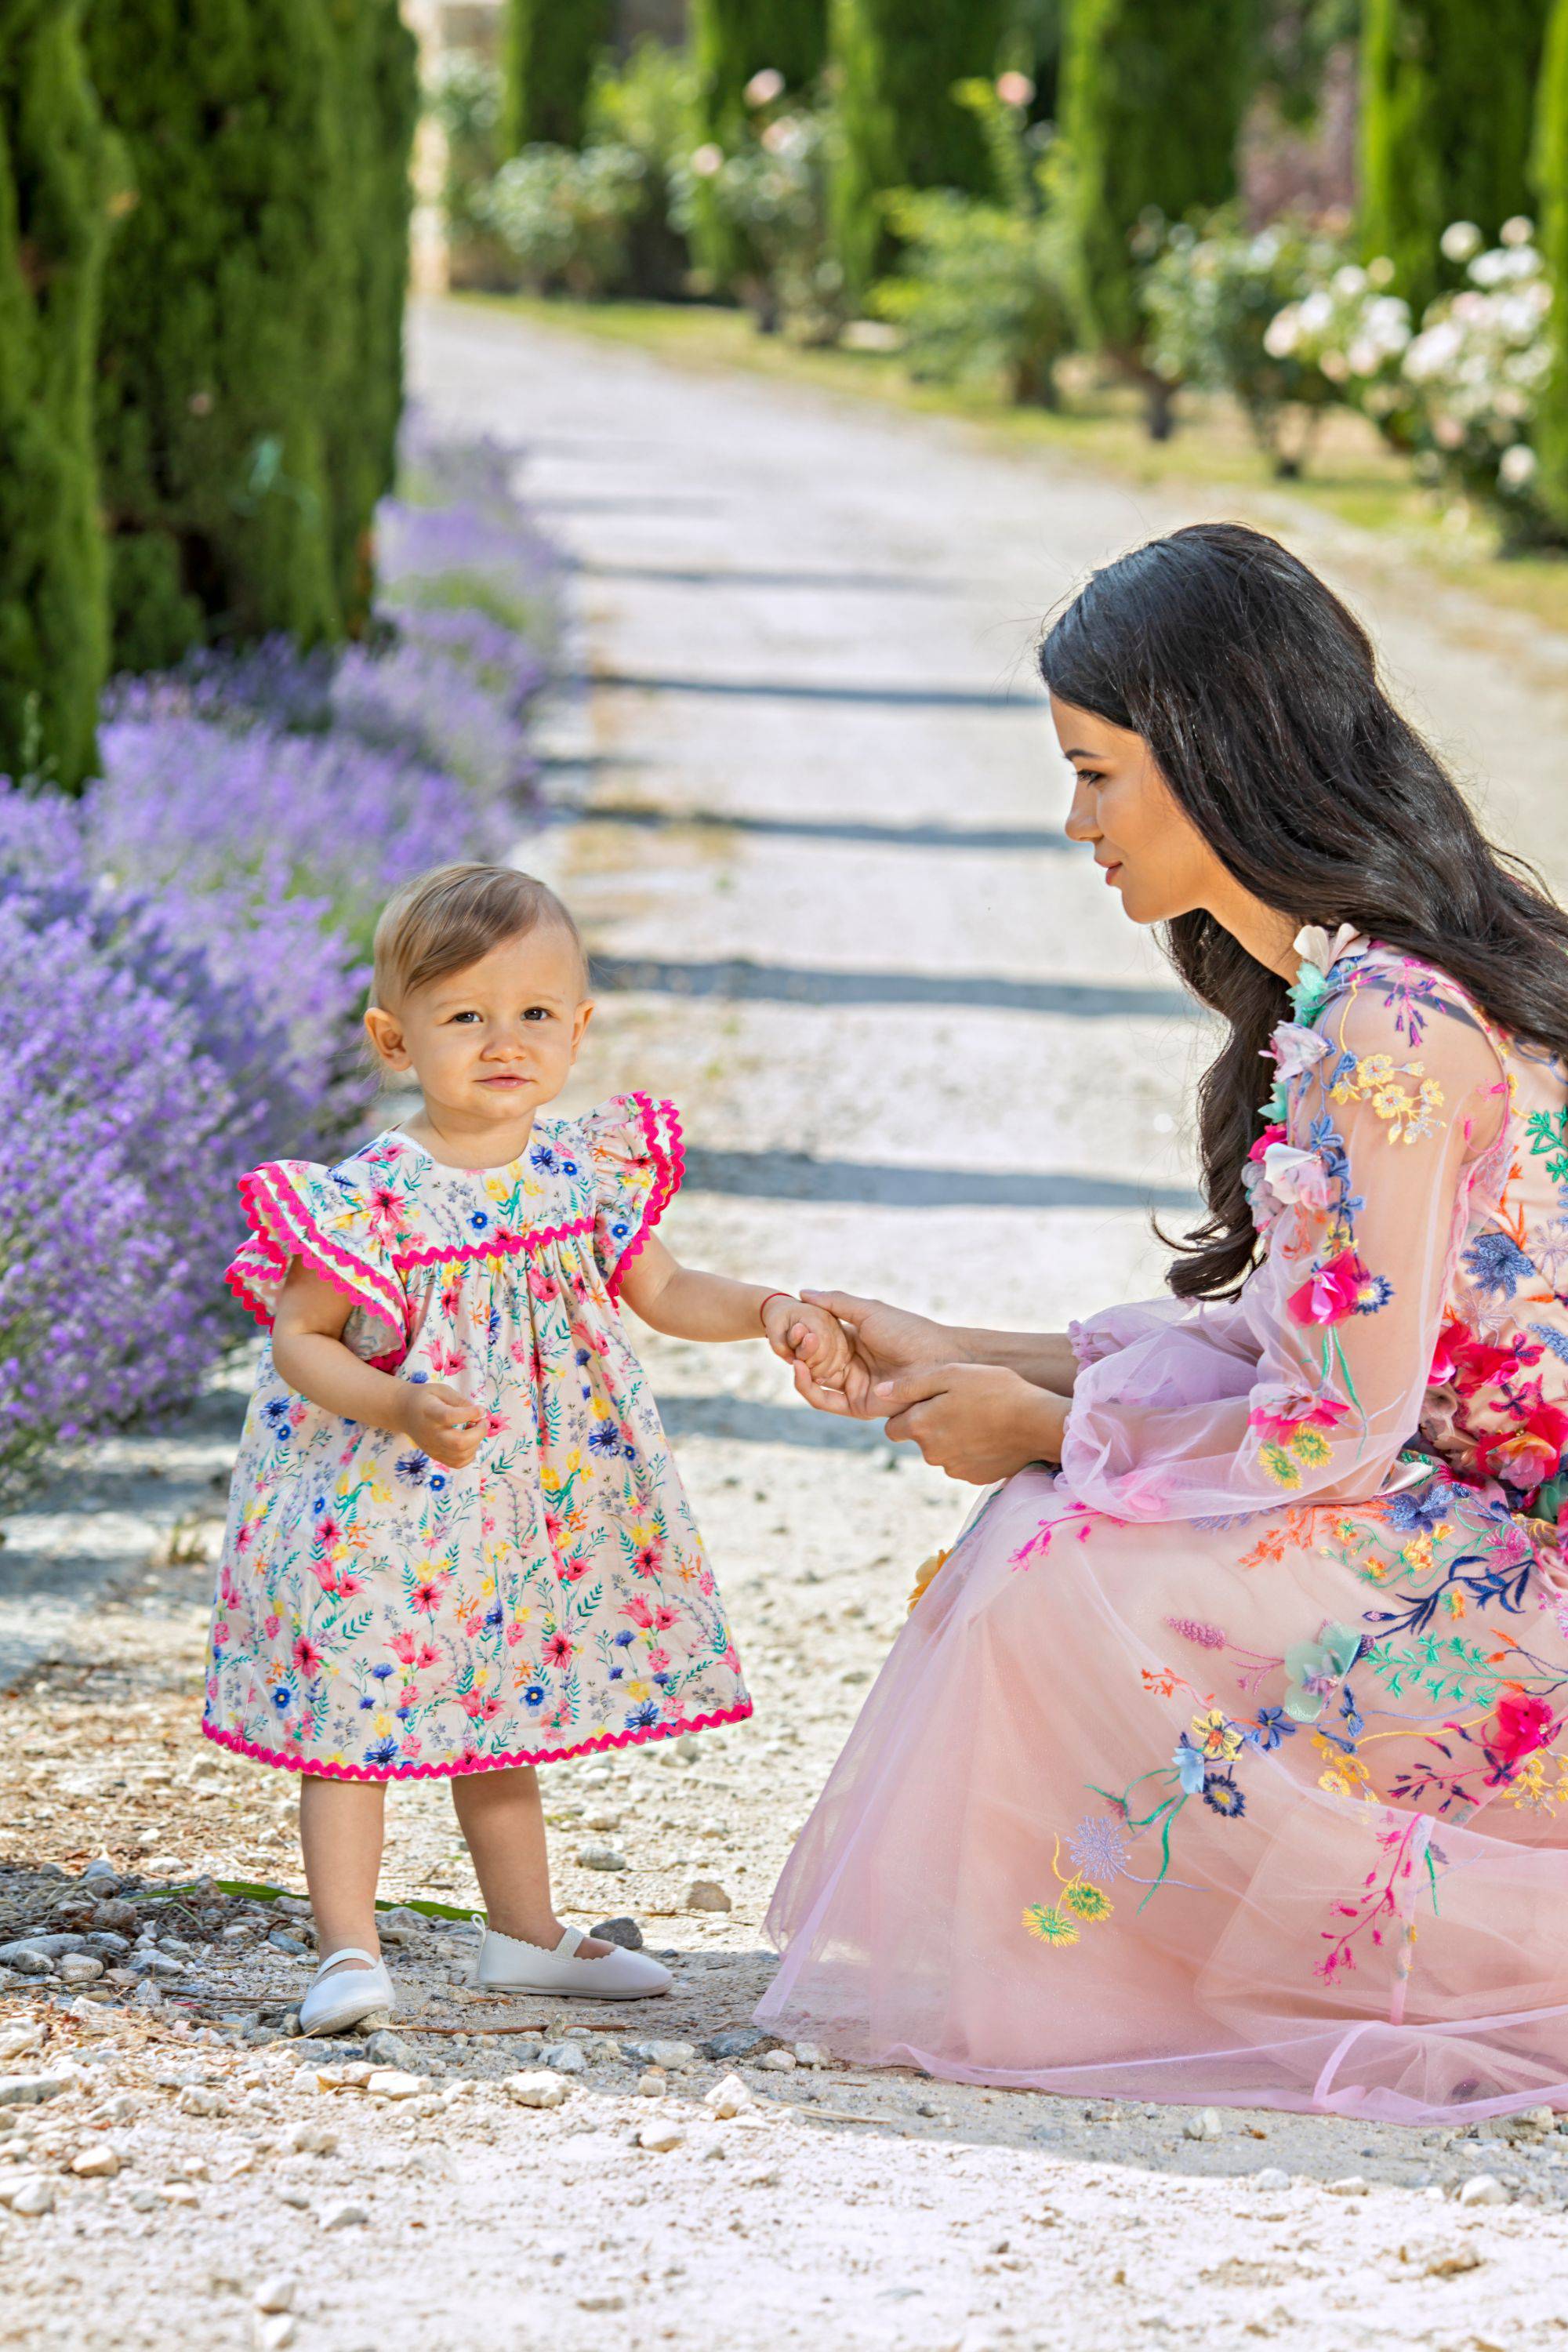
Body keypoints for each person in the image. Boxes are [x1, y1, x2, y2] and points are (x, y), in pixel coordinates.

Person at [761, 521, 1568, 2125]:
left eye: (1095, 773)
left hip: (1534, 1589)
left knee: (1059, 1560)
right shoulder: (1356, 995)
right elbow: (1298, 1347)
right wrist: (967, 1352)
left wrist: (1051, 1433)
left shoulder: (1387, 1017)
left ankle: (1096, 1988)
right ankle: (1092, 1977)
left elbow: (1331, 1429)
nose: (1074, 824)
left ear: (1214, 750)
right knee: (1057, 1523)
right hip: (1509, 1544)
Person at [205, 861, 849, 2037]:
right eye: (466, 1017)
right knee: (362, 1711)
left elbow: (663, 1287)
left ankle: (524, 1932)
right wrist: (396, 1403)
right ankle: (348, 1949)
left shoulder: (577, 1170)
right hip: (387, 1502)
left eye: (536, 1014)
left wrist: (765, 1308)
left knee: (496, 1701)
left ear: (579, 1027)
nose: (506, 1042)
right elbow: (301, 1339)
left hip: (524, 1501)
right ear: (394, 1040)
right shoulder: (373, 1197)